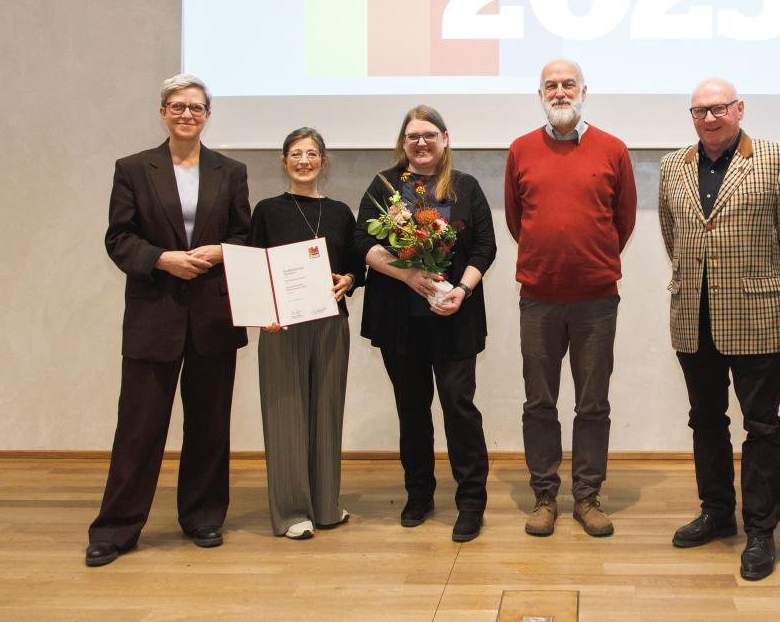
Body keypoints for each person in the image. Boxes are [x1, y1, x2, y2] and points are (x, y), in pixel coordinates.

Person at [85, 74, 250, 567]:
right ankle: (115, 529)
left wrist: (221, 250)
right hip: (153, 315)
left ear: (207, 115)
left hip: (213, 317)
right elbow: (119, 238)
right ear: (163, 112)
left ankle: (202, 516)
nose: (186, 115)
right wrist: (163, 259)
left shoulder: (231, 170)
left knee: (209, 423)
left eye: (196, 108)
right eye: (177, 106)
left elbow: (243, 235)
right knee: (138, 427)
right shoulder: (133, 168)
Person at [657, 78, 780, 580]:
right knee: (705, 421)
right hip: (692, 317)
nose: (709, 117)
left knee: (761, 426)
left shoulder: (774, 158)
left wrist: (763, 286)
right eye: (699, 110)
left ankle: (761, 530)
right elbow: (672, 233)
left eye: (719, 108)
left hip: (755, 315)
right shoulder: (672, 165)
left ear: (739, 109)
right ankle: (718, 513)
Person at [504, 59, 637, 538]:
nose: (560, 92)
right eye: (550, 86)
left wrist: (589, 259)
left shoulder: (613, 149)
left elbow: (623, 222)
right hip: (538, 299)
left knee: (592, 403)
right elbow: (517, 222)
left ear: (584, 90)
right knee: (539, 402)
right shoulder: (520, 150)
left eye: (568, 85)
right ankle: (544, 497)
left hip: (596, 302)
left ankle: (586, 496)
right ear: (540, 93)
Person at [353, 106, 496, 543]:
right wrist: (406, 274)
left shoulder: (466, 187)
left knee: (459, 409)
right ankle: (419, 495)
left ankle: (471, 502)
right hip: (400, 322)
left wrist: (463, 290)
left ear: (445, 139)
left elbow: (485, 248)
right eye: (413, 135)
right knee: (412, 411)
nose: (421, 142)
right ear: (403, 142)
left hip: (454, 318)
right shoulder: (384, 186)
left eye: (429, 134)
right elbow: (362, 241)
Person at [249, 127, 363, 540]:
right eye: (295, 153)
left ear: (323, 162)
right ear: (284, 161)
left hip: (332, 322)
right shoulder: (266, 210)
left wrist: (348, 279)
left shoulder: (339, 212)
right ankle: (292, 512)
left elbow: (357, 266)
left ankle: (326, 505)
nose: (303, 160)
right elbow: (254, 268)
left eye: (311, 153)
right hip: (282, 327)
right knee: (285, 415)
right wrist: (262, 312)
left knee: (327, 412)